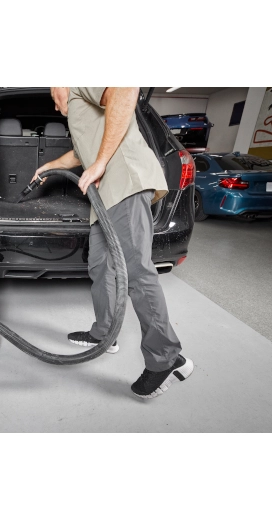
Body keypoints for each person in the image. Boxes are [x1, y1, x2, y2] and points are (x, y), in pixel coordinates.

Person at [32, 87, 193, 399]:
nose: (54, 104)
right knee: (101, 266)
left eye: (53, 95)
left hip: (124, 184)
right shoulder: (81, 111)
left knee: (136, 272)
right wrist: (50, 167)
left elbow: (125, 88)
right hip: (105, 197)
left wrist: (101, 162)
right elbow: (80, 153)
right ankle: (104, 334)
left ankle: (167, 358)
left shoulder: (78, 83)